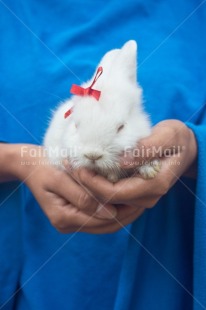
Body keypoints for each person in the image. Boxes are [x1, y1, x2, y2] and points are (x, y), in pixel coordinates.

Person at [0, 0, 205, 309]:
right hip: (40, 277)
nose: (95, 154)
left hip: (164, 271)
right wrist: (15, 161)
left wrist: (192, 148)